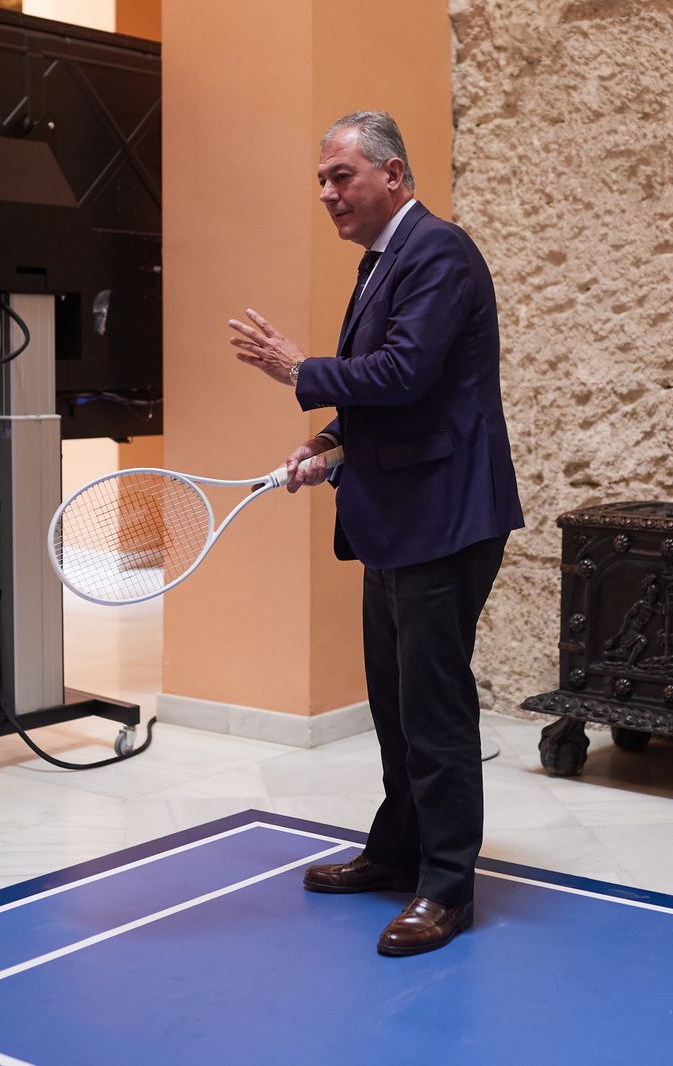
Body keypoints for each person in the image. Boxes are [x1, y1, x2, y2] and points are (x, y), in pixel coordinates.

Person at [228, 111, 523, 956]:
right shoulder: (384, 259)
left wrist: (298, 369)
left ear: (393, 175)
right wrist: (329, 443)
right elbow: (403, 399)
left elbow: (404, 372)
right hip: (397, 517)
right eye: (321, 181)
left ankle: (447, 888)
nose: (328, 194)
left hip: (444, 518)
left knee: (434, 709)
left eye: (341, 176)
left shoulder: (439, 252)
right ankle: (397, 851)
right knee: (395, 705)